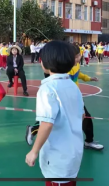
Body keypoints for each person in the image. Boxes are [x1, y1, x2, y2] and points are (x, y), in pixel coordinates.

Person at [25, 41, 84, 186]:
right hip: (74, 151)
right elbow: (81, 115)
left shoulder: (48, 89)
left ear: (44, 63)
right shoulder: (72, 85)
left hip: (57, 155)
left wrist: (34, 150)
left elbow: (46, 124)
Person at [26, 45, 103, 151]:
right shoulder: (64, 70)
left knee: (86, 117)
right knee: (52, 119)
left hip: (74, 97)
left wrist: (89, 78)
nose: (77, 59)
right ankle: (34, 129)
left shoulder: (76, 66)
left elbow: (78, 74)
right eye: (75, 57)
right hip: (65, 98)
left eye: (78, 56)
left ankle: (89, 141)